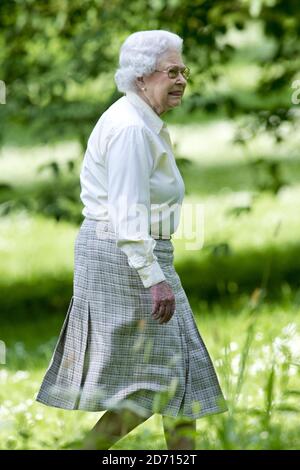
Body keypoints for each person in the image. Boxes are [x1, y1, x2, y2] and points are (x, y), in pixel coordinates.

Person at [35, 29, 227, 450]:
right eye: (171, 72)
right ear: (142, 77)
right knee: (158, 380)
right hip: (124, 254)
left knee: (182, 375)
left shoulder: (142, 120)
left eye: (184, 71)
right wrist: (153, 276)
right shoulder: (131, 129)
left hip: (138, 251)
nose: (181, 80)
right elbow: (126, 216)